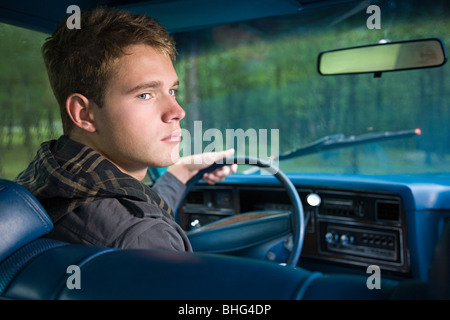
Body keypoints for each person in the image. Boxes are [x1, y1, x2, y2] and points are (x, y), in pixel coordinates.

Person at [15, 7, 237, 252]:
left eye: (172, 91)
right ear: (84, 114)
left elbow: (123, 207)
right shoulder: (144, 239)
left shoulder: (47, 180)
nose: (177, 111)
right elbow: (132, 225)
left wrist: (181, 172)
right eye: (145, 95)